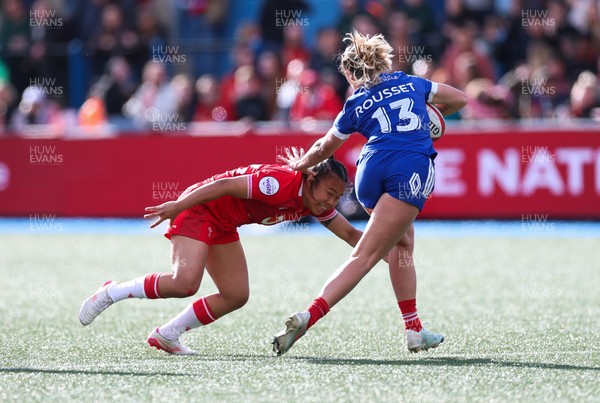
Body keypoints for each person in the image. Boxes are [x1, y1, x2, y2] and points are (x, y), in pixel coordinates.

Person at [272, 31, 467, 355]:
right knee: (365, 256)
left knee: (403, 243)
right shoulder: (411, 83)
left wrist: (298, 167)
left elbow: (325, 146)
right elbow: (460, 98)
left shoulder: (356, 101)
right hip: (409, 170)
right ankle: (310, 315)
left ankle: (414, 329)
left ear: (350, 73)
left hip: (369, 174)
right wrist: (428, 119)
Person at [79, 158, 361, 354]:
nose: (331, 202)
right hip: (199, 208)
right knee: (184, 283)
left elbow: (351, 235)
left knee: (236, 294)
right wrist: (179, 205)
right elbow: (223, 186)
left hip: (223, 223)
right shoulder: (279, 182)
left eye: (337, 197)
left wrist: (387, 246)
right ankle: (111, 292)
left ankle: (167, 334)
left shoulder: (315, 203)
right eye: (330, 193)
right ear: (312, 178)